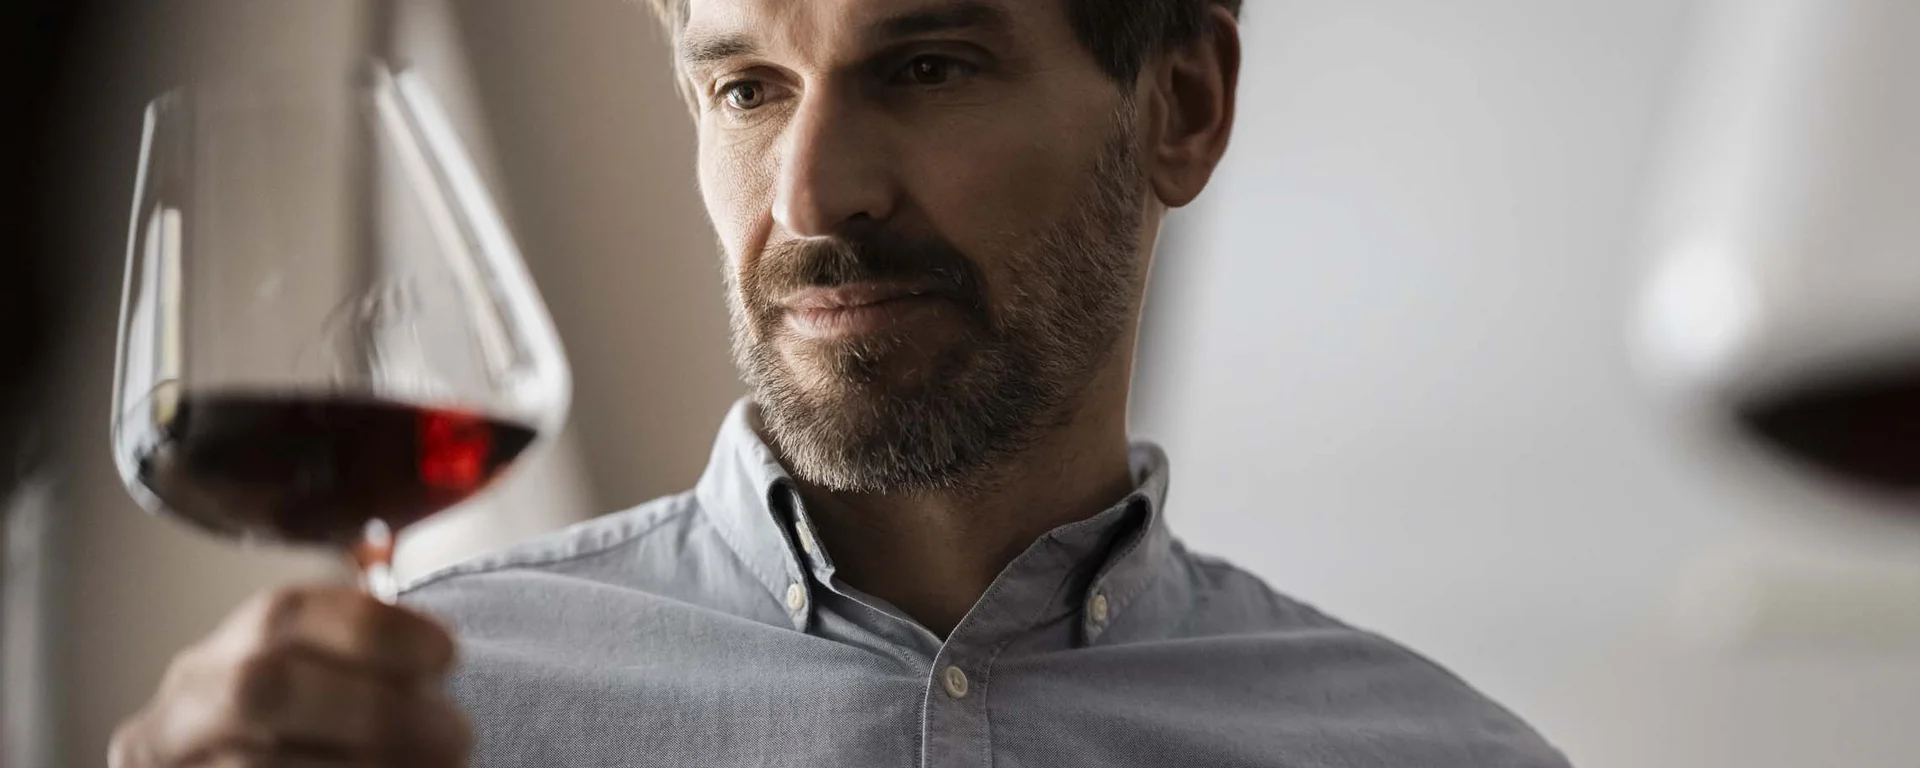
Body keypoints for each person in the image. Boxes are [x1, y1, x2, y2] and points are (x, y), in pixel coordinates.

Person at [110, 0, 1570, 765]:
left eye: (927, 66)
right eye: (748, 88)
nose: (811, 198)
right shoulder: (401, 732)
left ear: (1183, 106)